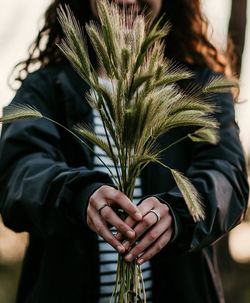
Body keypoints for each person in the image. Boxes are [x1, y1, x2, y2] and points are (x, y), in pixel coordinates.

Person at [0, 0, 248, 302]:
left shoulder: (200, 88)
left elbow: (227, 177)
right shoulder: (46, 88)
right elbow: (18, 173)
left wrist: (178, 211)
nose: (128, 0)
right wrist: (77, 194)